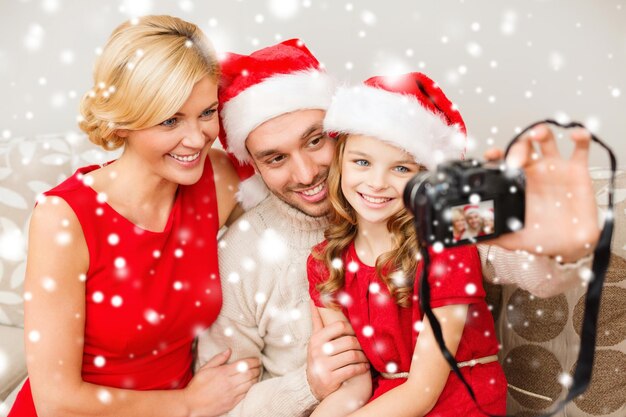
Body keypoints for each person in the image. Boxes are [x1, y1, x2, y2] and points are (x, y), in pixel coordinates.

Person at [197, 38, 599, 416]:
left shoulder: (436, 215)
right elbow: (222, 405)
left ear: (345, 131)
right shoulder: (247, 252)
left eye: (316, 140)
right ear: (254, 165)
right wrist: (308, 384)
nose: (306, 173)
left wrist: (557, 247)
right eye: (275, 158)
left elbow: (521, 257)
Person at [10, 15, 261, 417]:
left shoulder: (218, 177)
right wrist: (188, 404)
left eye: (207, 112)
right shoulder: (64, 218)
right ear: (123, 121)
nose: (196, 138)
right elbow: (56, 401)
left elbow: (302, 170)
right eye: (170, 120)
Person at [307, 72, 506, 416]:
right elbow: (354, 384)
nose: (377, 183)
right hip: (383, 402)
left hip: (459, 401)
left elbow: (422, 393)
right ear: (339, 162)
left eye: (401, 168)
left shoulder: (447, 248)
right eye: (362, 162)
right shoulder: (325, 262)